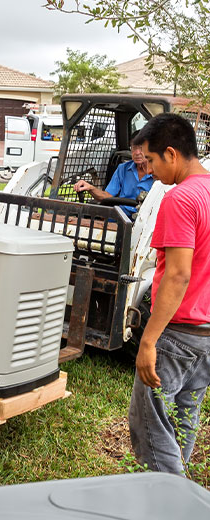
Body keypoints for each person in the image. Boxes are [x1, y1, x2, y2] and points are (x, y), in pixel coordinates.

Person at [128, 113, 210, 475]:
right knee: (183, 418)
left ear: (172, 154)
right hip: (206, 335)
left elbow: (177, 276)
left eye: (151, 161)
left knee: (152, 427)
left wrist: (148, 341)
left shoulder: (181, 199)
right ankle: (179, 498)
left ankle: (165, 503)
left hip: (178, 335)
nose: (148, 172)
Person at [73, 131, 154, 218]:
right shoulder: (122, 169)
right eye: (134, 148)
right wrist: (90, 188)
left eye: (141, 148)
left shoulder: (158, 173)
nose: (137, 152)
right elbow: (107, 196)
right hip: (121, 218)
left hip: (146, 221)